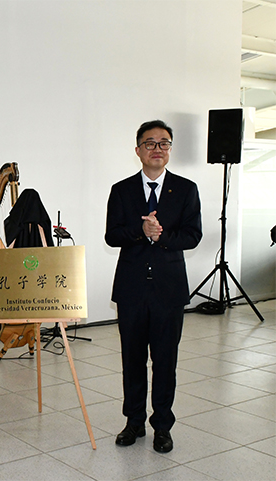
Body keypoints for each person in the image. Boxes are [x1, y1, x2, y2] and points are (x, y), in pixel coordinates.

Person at [105, 120, 202, 453]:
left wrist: (162, 237)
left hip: (169, 289)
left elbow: (193, 235)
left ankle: (162, 425)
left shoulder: (186, 189)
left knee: (165, 360)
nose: (157, 149)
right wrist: (139, 231)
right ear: (138, 151)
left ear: (170, 150)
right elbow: (111, 235)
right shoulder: (121, 190)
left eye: (164, 143)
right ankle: (133, 422)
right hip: (131, 289)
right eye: (150, 143)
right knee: (132, 359)